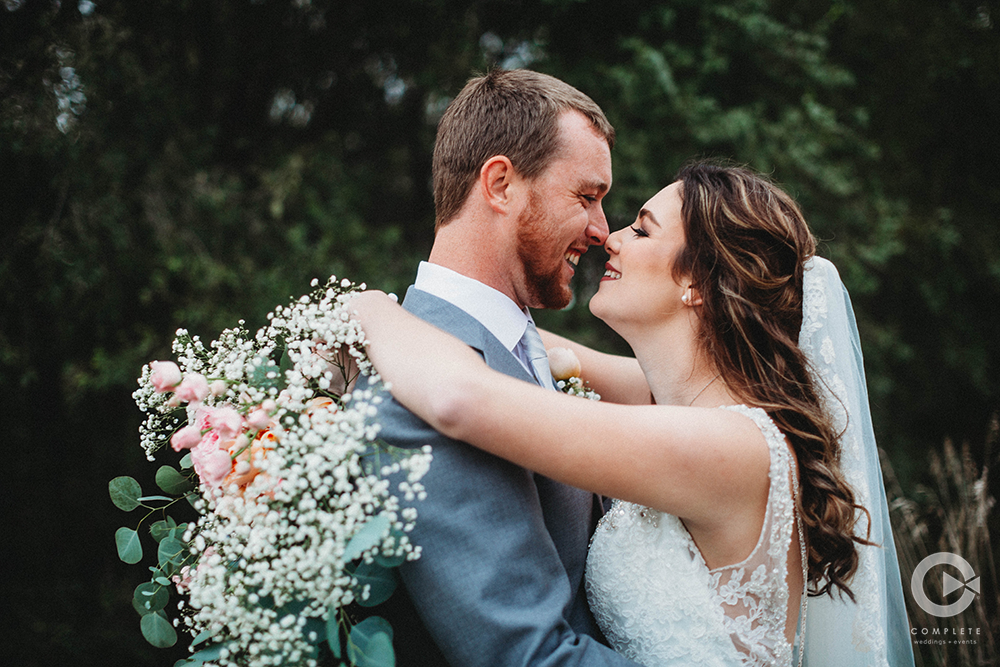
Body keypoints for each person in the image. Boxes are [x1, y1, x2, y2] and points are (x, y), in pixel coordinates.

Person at [352, 162, 915, 666]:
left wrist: (367, 310)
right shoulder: (682, 396)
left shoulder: (731, 450)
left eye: (642, 230)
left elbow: (461, 397)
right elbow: (514, 337)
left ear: (696, 282)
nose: (608, 238)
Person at [356, 68, 643, 666]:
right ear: (501, 184)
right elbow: (530, 656)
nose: (601, 229)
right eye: (586, 197)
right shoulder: (409, 390)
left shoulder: (527, 345)